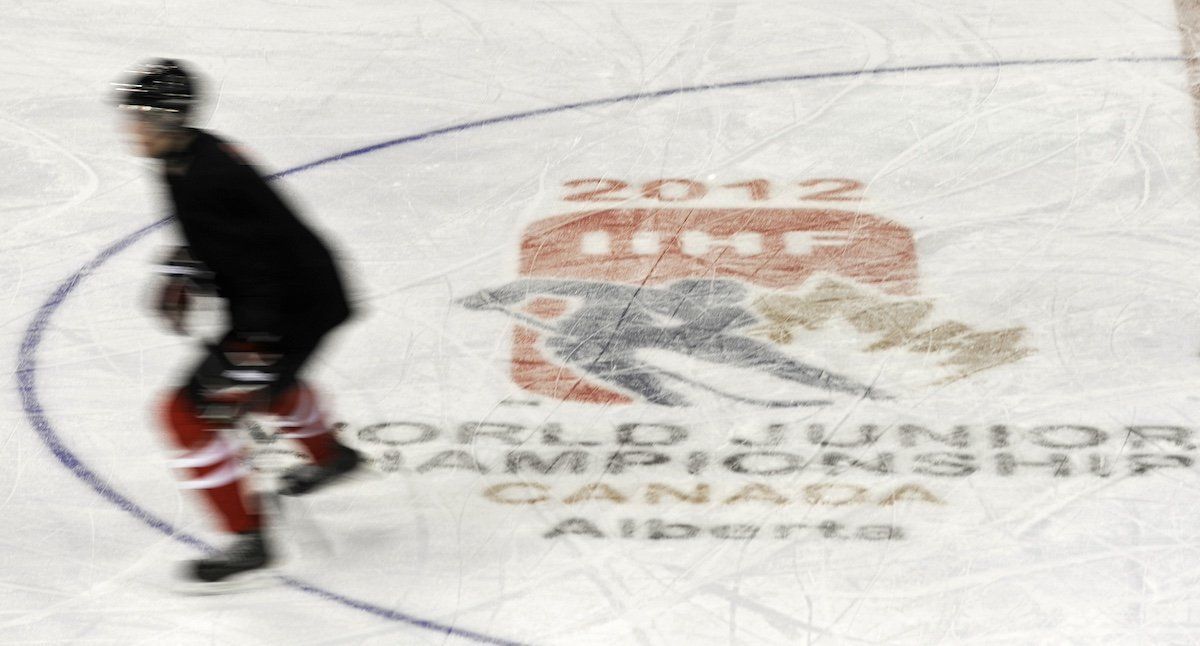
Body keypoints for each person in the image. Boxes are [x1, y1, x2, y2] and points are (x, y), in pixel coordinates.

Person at [113, 59, 361, 588]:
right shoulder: (186, 157)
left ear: (169, 120)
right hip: (305, 297)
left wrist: (254, 345)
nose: (130, 127)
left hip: (289, 306)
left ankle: (248, 538)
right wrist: (187, 264)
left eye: (140, 117)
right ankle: (330, 457)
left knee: (184, 414)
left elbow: (261, 264)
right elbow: (235, 233)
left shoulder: (207, 174)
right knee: (268, 386)